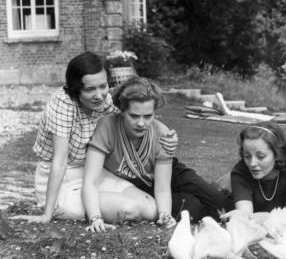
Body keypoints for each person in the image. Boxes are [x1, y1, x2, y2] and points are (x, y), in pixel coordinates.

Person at [12, 52, 177, 224]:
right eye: (90, 89)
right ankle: (76, 207)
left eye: (103, 86)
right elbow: (59, 161)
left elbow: (135, 116)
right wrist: (47, 213)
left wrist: (167, 137)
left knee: (151, 209)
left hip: (92, 171)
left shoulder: (103, 101)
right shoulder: (63, 104)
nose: (99, 95)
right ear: (76, 88)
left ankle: (98, 202)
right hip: (62, 177)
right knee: (131, 208)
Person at [82, 77, 230, 232]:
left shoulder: (163, 134)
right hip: (139, 184)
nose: (141, 123)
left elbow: (163, 187)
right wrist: (95, 217)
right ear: (122, 111)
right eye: (134, 116)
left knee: (222, 204)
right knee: (192, 208)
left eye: (147, 116)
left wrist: (165, 211)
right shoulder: (107, 127)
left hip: (169, 172)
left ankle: (226, 187)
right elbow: (91, 180)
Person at [230, 122, 286, 214]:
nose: (252, 163)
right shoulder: (240, 170)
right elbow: (245, 216)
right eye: (247, 156)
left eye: (261, 156)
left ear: (277, 154)